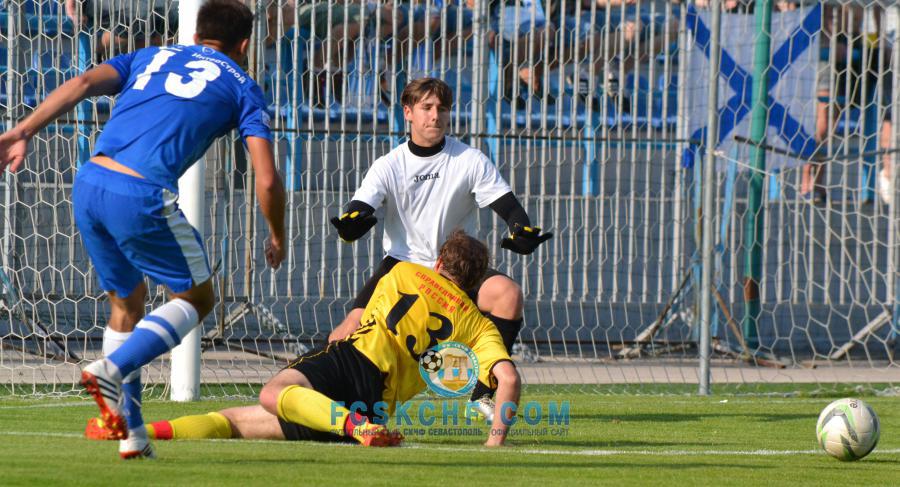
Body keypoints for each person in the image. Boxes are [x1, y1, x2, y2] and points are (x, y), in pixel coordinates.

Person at [0, 0, 286, 459]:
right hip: (140, 193)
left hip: (90, 182)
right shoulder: (244, 87)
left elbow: (81, 83)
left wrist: (23, 131)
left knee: (126, 304)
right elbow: (267, 179)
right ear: (246, 44)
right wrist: (277, 235)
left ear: (195, 36)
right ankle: (112, 368)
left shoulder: (150, 55)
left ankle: (131, 436)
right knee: (197, 298)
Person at [88, 231, 522, 447]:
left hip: (352, 359)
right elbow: (509, 379)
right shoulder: (477, 325)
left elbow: (354, 322)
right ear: (474, 280)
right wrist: (494, 441)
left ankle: (354, 427)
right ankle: (135, 430)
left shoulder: (404, 271)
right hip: (377, 402)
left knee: (272, 394)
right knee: (237, 422)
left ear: (440, 260)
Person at [327, 77, 550, 416]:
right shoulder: (389, 164)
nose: (435, 116)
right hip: (402, 267)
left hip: (456, 268)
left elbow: (509, 208)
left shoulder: (469, 159)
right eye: (426, 107)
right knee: (348, 329)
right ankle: (317, 394)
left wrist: (521, 230)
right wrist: (351, 223)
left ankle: (485, 394)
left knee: (508, 295)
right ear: (408, 112)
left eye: (442, 108)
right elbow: (359, 207)